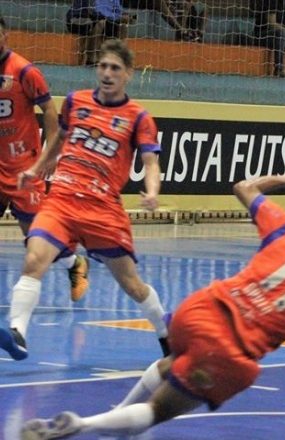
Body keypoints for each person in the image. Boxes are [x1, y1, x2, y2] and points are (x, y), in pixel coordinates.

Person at [19, 163, 285, 440]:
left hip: (198, 310)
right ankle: (83, 426)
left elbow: (244, 187)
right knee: (158, 411)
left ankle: (116, 416)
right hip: (229, 350)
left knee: (175, 361)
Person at [0, 39, 170, 361]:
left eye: (115, 68)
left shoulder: (138, 117)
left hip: (102, 209)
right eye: (103, 66)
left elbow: (151, 163)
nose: (107, 73)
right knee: (34, 258)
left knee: (133, 286)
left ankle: (165, 334)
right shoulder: (76, 102)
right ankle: (18, 334)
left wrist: (152, 192)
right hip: (62, 199)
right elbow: (59, 139)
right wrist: (37, 168)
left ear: (128, 75)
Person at [0, 16, 91, 304]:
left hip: (22, 167)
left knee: (37, 238)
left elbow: (50, 112)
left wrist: (52, 151)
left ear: (5, 35)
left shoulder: (25, 71)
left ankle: (73, 264)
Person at [66, 0, 103, 65]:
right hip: (81, 20)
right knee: (99, 24)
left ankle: (85, 59)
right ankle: (90, 58)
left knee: (83, 41)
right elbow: (92, 13)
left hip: (71, 21)